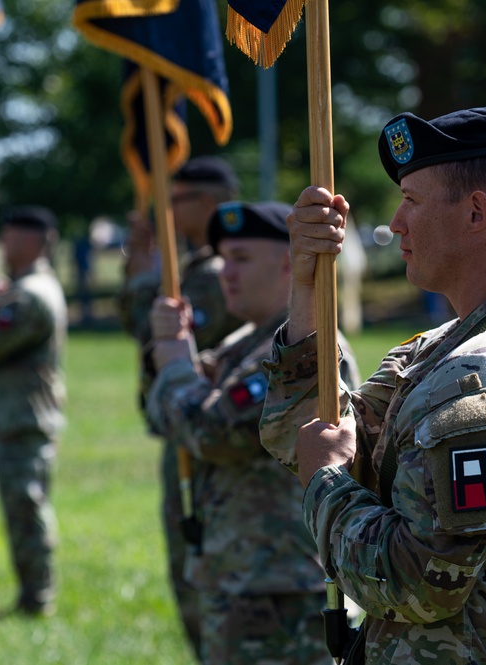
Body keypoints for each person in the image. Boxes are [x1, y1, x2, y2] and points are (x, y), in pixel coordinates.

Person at [259, 105, 486, 664]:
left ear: (476, 213)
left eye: (412, 200)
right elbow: (300, 434)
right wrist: (305, 286)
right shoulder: (448, 348)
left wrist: (326, 481)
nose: (395, 222)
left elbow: (419, 583)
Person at [147, 202, 359, 664]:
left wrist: (177, 368)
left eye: (241, 258)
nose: (226, 272)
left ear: (288, 263)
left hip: (279, 586)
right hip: (244, 575)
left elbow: (212, 432)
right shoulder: (244, 344)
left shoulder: (305, 353)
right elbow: (163, 418)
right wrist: (170, 357)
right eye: (223, 260)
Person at [118, 156, 243, 655]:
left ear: (208, 203)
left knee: (200, 562)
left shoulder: (215, 272)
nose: (165, 210)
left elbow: (165, 336)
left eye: (177, 200)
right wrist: (139, 267)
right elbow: (140, 328)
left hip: (212, 428)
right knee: (184, 559)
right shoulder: (190, 266)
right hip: (186, 426)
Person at [0, 206, 67, 616]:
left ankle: (37, 598)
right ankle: (30, 594)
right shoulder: (27, 288)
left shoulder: (32, 295)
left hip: (24, 418)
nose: (2, 245)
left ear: (30, 241)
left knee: (26, 506)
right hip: (15, 414)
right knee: (20, 505)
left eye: (8, 237)